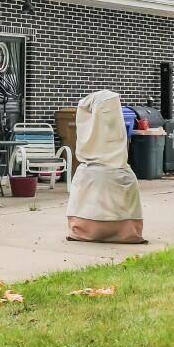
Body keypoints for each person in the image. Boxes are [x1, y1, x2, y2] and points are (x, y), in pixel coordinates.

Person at [67, 88, 146, 244]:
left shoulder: (87, 126)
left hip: (97, 170)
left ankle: (86, 229)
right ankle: (125, 231)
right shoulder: (110, 121)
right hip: (113, 168)